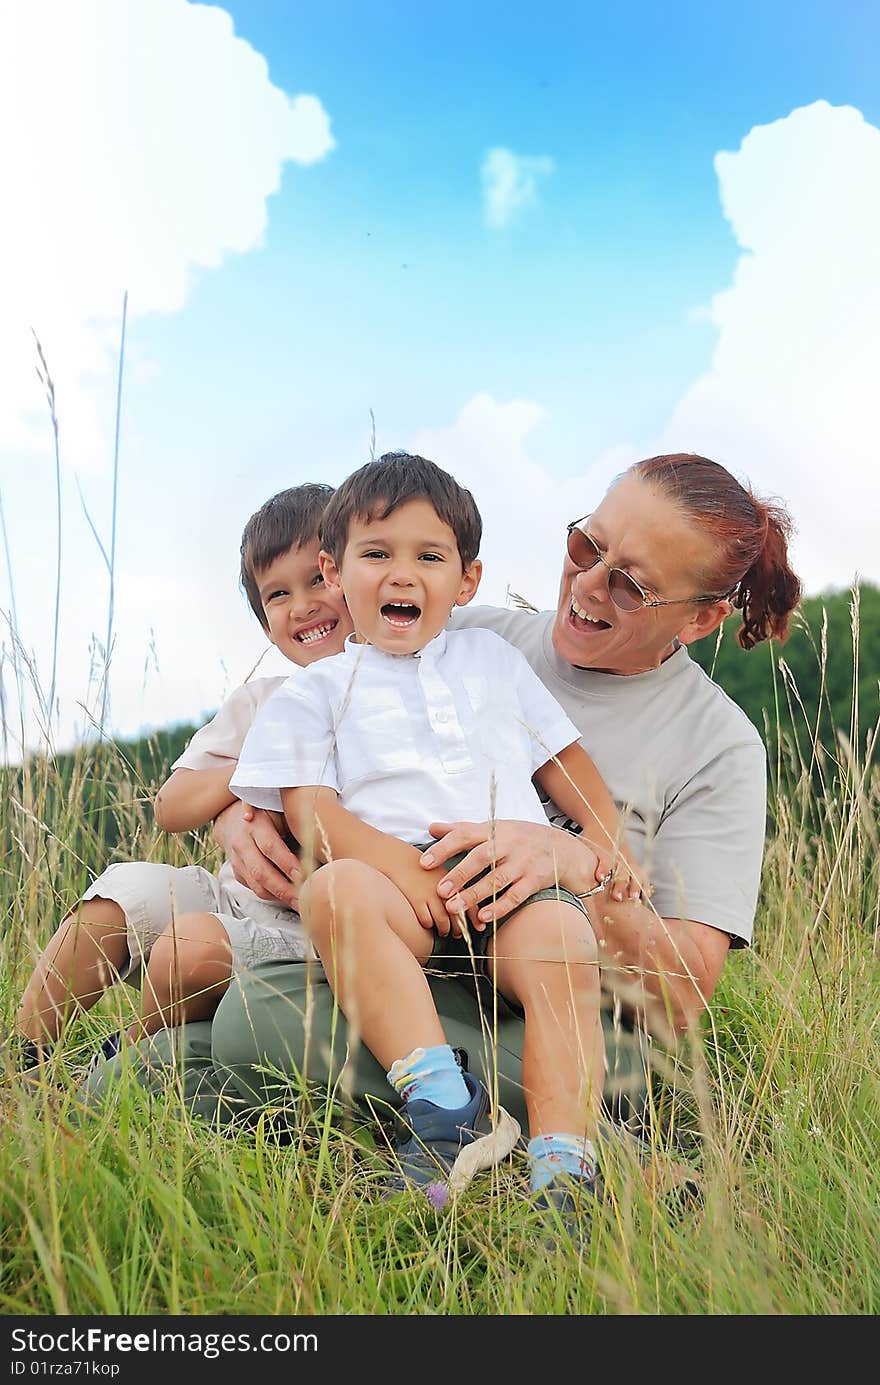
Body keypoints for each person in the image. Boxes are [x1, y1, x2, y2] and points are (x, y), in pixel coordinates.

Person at [85, 451, 802, 1200]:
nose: (587, 584)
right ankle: (450, 1132)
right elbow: (315, 703)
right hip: (412, 954)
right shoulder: (476, 636)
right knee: (160, 1061)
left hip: (548, 1001)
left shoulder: (718, 746)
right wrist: (241, 812)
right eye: (587, 545)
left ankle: (595, 1155)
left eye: (630, 583)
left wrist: (574, 859)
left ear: (701, 616)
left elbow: (677, 995)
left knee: (247, 1026)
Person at [229, 452, 641, 1213]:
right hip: (396, 886)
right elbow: (310, 810)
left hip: (508, 876)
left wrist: (606, 837)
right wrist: (403, 870)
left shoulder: (491, 659)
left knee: (562, 943)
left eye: (429, 557)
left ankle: (564, 1166)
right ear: (334, 568)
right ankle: (445, 1102)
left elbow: (562, 760)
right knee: (334, 888)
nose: (401, 575)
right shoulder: (316, 687)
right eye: (376, 554)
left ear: (468, 580)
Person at [15, 483, 353, 1067]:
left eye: (317, 579)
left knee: (190, 947)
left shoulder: (393, 699)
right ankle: (22, 1060)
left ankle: (122, 1062)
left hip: (310, 932)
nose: (301, 605)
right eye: (277, 594)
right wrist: (263, 752)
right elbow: (171, 807)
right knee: (120, 894)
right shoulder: (261, 702)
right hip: (229, 894)